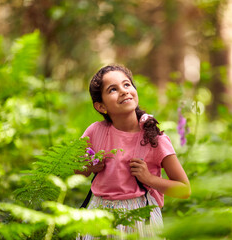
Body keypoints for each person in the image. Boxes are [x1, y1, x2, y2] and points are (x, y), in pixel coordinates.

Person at [75, 64, 191, 239]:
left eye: (127, 84)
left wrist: (149, 179)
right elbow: (77, 170)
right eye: (113, 89)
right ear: (101, 106)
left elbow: (184, 189)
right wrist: (90, 167)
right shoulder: (95, 131)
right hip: (99, 219)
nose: (123, 91)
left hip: (141, 221)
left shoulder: (155, 138)